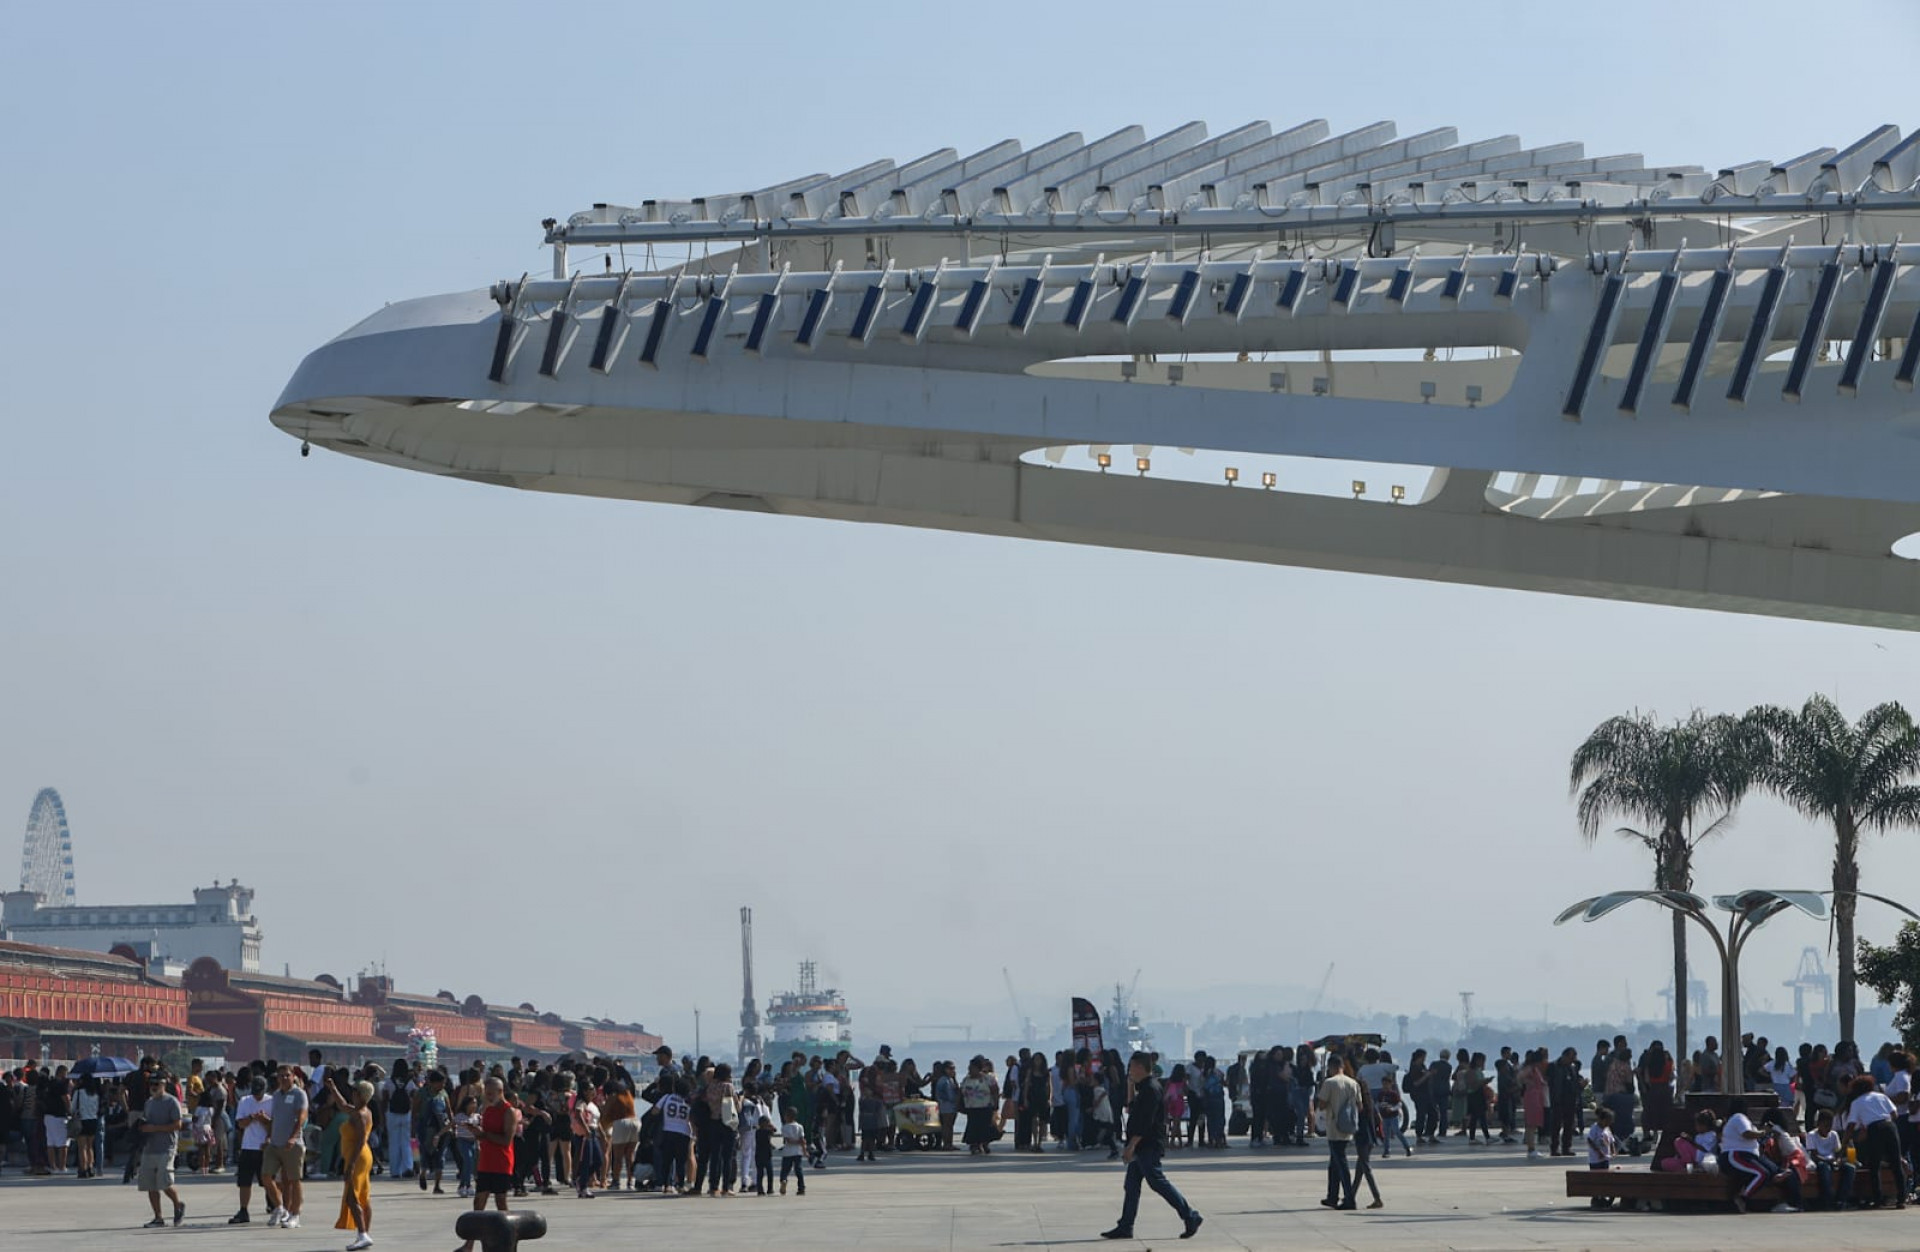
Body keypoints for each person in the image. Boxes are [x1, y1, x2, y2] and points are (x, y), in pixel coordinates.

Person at [1101, 1053, 1202, 1241]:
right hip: (1140, 1145)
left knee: (1157, 1182)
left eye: (1131, 1067)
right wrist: (1130, 1086)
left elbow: (1145, 1122)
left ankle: (1190, 1216)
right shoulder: (1144, 1088)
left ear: (1140, 1067)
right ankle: (1125, 1226)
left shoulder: (1151, 1089)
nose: (1129, 1070)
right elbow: (1130, 1108)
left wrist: (1131, 1146)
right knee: (1131, 1186)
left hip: (1148, 1144)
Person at [459, 1077, 520, 1252]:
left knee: (501, 1203)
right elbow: (485, 1135)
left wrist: (484, 1135)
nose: (488, 1097)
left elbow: (506, 1140)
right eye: (487, 1093)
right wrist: (475, 1132)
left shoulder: (509, 1112)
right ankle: (469, 1244)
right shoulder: (488, 1110)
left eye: (491, 1094)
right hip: (486, 1161)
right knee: (478, 1203)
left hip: (501, 1162)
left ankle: (510, 1243)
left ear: (501, 1092)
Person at [1722, 1098, 1802, 1213]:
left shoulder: (1744, 1121)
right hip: (1736, 1154)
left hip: (1751, 1156)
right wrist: (1764, 1132)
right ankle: (1742, 1199)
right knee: (1761, 1173)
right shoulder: (1738, 1117)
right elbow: (1747, 1134)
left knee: (1777, 1172)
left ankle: (1784, 1201)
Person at [1843, 1073, 1905, 1209]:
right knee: (1896, 1163)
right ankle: (1901, 1199)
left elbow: (1851, 1125)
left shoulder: (1857, 1102)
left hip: (1874, 1129)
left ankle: (1878, 1199)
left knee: (1874, 1164)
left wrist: (1845, 1141)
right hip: (1889, 1126)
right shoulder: (1881, 1096)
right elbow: (1894, 1114)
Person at [327, 1075, 374, 1251]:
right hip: (361, 1156)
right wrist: (333, 1088)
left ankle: (362, 1234)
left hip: (358, 1157)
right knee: (363, 1197)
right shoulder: (361, 1111)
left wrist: (351, 1165)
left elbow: (361, 1140)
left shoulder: (360, 1115)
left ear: (361, 1095)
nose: (352, 1095)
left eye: (354, 1092)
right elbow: (343, 1105)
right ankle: (365, 1233)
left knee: (351, 1197)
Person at [137, 1069, 188, 1228]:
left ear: (164, 1085)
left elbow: (178, 1125)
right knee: (150, 1185)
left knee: (165, 1182)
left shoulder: (172, 1102)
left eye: (157, 1084)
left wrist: (155, 1128)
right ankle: (158, 1217)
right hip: (149, 1148)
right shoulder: (148, 1103)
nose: (153, 1087)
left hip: (167, 1148)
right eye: (151, 1084)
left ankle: (178, 1204)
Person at [1315, 1054, 1363, 1211]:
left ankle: (1349, 1198)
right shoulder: (1353, 1083)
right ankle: (1332, 1196)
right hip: (1348, 1127)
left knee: (1341, 1162)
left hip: (1334, 1127)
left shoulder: (1329, 1083)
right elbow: (1360, 1106)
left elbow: (1322, 1105)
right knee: (1334, 1164)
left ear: (1331, 1067)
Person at [265, 1066, 308, 1229]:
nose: (284, 1078)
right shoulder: (276, 1095)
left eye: (287, 1075)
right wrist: (268, 1136)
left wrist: (293, 1137)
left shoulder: (299, 1094)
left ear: (293, 1076)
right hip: (275, 1143)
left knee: (293, 1180)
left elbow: (302, 1116)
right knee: (266, 1176)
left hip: (292, 1144)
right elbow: (274, 1118)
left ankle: (295, 1214)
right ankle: (280, 1207)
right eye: (281, 1076)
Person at [231, 1074, 276, 1224]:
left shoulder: (272, 1101)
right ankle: (243, 1210)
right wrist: (251, 1118)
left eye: (260, 1093)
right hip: (248, 1146)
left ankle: (274, 1205)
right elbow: (240, 1124)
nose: (257, 1096)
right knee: (244, 1181)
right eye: (255, 1093)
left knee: (268, 1180)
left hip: (265, 1147)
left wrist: (264, 1120)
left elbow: (275, 1125)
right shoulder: (245, 1101)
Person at [1806, 1108, 1855, 1209]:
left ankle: (1841, 1200)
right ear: (1819, 1124)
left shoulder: (1833, 1134)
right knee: (1824, 1167)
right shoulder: (1811, 1135)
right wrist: (1828, 1160)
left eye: (1830, 1125)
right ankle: (1828, 1200)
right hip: (1820, 1162)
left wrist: (1838, 1159)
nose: (1828, 1128)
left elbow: (1837, 1152)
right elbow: (1814, 1156)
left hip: (1832, 1161)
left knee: (1850, 1168)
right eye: (1825, 1126)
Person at [1584, 1106, 1616, 1209]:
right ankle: (1595, 1198)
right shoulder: (1595, 1128)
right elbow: (1590, 1140)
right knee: (1596, 1178)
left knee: (1604, 1178)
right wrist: (1598, 1151)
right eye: (1607, 1121)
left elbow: (1611, 1140)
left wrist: (1613, 1151)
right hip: (1595, 1160)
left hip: (1605, 1158)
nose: (1608, 1124)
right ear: (1601, 1119)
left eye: (1610, 1122)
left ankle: (1602, 1196)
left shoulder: (1607, 1129)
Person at [779, 1106, 807, 1195]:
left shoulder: (784, 1127)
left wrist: (795, 1142)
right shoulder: (800, 1127)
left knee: (785, 1169)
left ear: (787, 1116)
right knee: (798, 1170)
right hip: (798, 1152)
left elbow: (788, 1140)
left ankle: (783, 1180)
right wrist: (805, 1151)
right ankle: (801, 1187)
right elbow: (802, 1140)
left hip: (787, 1152)